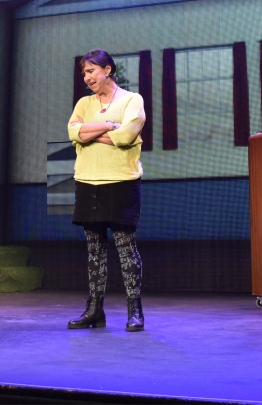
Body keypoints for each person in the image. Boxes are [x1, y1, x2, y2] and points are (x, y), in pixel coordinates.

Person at [66, 49, 147, 332]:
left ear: (108, 69)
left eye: (91, 71)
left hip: (121, 182)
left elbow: (126, 136)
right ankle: (94, 310)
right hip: (88, 182)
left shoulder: (132, 100)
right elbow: (73, 132)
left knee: (126, 247)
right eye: (84, 73)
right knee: (94, 250)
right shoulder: (84, 103)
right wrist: (110, 126)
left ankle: (135, 310)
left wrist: (90, 134)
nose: (86, 78)